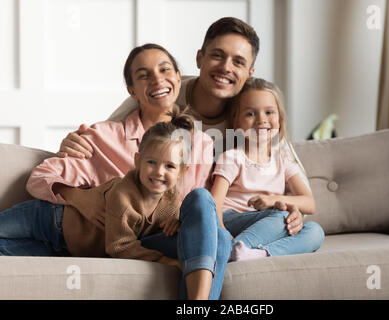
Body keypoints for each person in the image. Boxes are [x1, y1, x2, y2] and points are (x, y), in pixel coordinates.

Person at [0, 43, 231, 300]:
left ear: (178, 77)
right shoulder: (105, 135)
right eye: (144, 75)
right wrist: (80, 198)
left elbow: (196, 204)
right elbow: (42, 176)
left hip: (143, 239)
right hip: (75, 228)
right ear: (132, 90)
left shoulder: (201, 143)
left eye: (165, 70)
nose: (157, 79)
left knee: (218, 237)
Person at [57, 17, 306, 237]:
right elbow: (113, 136)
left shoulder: (254, 114)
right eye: (217, 55)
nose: (226, 67)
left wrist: (287, 207)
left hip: (230, 217)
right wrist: (74, 143)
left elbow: (288, 178)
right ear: (200, 58)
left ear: (249, 72)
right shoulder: (165, 92)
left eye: (238, 62)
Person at [210, 78, 324, 261]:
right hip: (234, 219)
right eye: (250, 114)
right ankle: (229, 250)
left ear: (280, 118)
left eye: (269, 112)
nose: (261, 120)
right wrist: (221, 232)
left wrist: (272, 200)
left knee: (315, 231)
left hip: (269, 221)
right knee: (281, 217)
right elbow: (214, 202)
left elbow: (309, 204)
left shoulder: (284, 161)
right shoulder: (233, 157)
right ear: (236, 121)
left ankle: (257, 253)